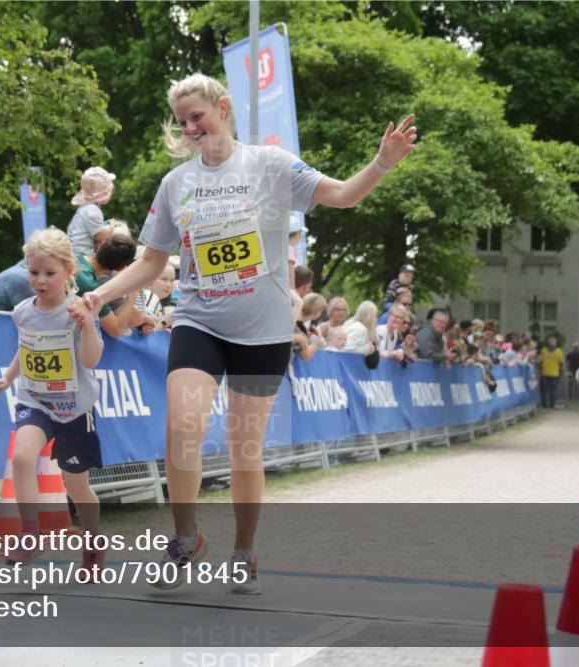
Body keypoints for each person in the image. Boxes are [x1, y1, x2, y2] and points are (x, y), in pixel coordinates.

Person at [81, 73, 416, 594]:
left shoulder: (270, 165)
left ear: (223, 108)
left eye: (198, 116)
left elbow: (342, 195)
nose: (190, 128)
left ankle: (243, 552)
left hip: (262, 330)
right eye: (182, 121)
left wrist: (382, 163)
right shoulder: (176, 184)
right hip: (199, 320)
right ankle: (185, 538)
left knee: (244, 447)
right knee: (181, 427)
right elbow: (151, 262)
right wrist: (98, 296)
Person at [0, 227, 106, 579]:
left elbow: (91, 359)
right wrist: (10, 377)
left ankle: (93, 542)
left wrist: (88, 326)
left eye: (49, 273)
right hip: (35, 400)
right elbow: (26, 347)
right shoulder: (22, 311)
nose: (40, 280)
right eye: (34, 272)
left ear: (69, 271)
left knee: (77, 486)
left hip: (74, 408)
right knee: (22, 457)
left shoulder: (77, 310)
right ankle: (30, 531)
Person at [75, 233, 151, 337]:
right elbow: (116, 330)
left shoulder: (74, 257)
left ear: (100, 245)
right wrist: (132, 294)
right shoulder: (91, 289)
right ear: (121, 269)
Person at [67, 167, 116, 257]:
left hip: (74, 252)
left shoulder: (84, 208)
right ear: (102, 193)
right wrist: (112, 226)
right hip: (82, 255)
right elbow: (101, 236)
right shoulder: (93, 210)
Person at [539, 335, 563, 409]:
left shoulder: (543, 350)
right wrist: (560, 373)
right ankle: (552, 405)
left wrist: (540, 369)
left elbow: (540, 361)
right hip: (555, 374)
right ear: (555, 343)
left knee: (544, 391)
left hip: (544, 373)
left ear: (548, 342)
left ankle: (544, 405)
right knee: (553, 391)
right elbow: (561, 363)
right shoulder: (559, 351)